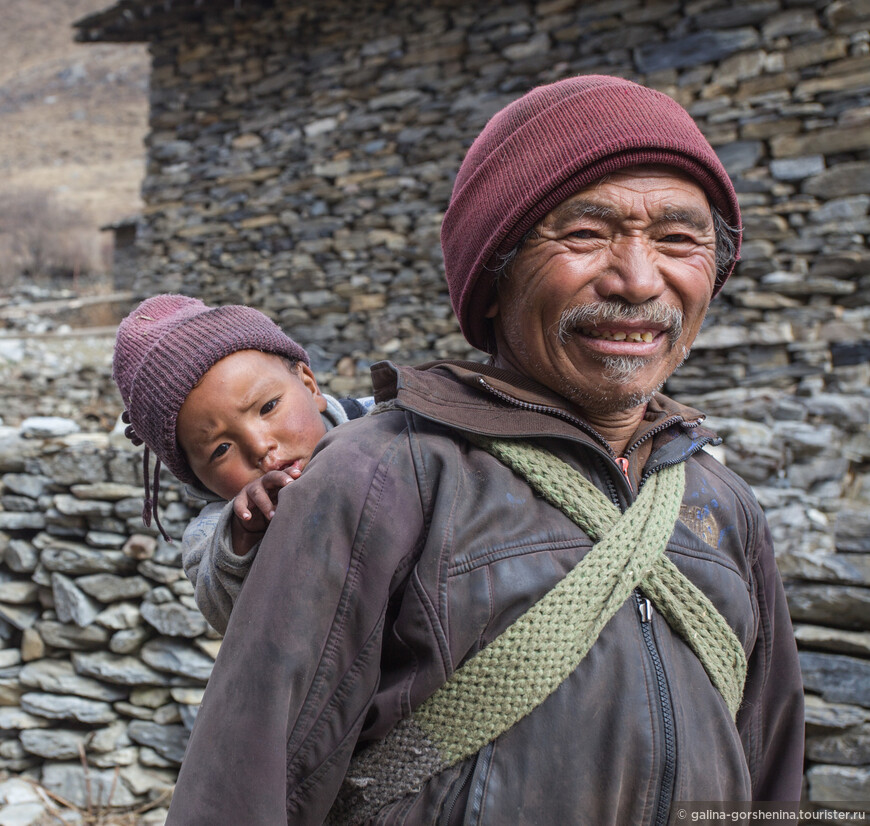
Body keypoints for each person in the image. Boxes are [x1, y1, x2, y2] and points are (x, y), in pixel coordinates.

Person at [166, 75, 804, 825]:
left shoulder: (722, 507)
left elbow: (771, 775)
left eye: (678, 239)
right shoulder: (381, 479)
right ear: (495, 278)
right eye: (585, 234)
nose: (638, 280)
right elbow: (246, 786)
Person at [112, 294, 373, 633]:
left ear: (309, 385)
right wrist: (245, 537)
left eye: (268, 407)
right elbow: (223, 605)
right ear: (196, 477)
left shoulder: (389, 417)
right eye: (221, 449)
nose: (260, 447)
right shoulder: (215, 532)